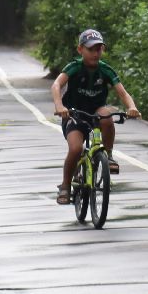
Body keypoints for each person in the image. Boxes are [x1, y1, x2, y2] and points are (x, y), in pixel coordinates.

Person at [51, 29, 140, 204]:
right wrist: (59, 106)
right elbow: (56, 85)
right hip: (74, 113)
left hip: (95, 112)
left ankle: (108, 154)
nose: (95, 53)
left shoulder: (105, 70)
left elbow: (123, 93)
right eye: (91, 49)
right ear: (80, 50)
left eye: (99, 49)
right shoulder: (74, 67)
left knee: (106, 115)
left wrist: (132, 107)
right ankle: (65, 186)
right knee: (76, 149)